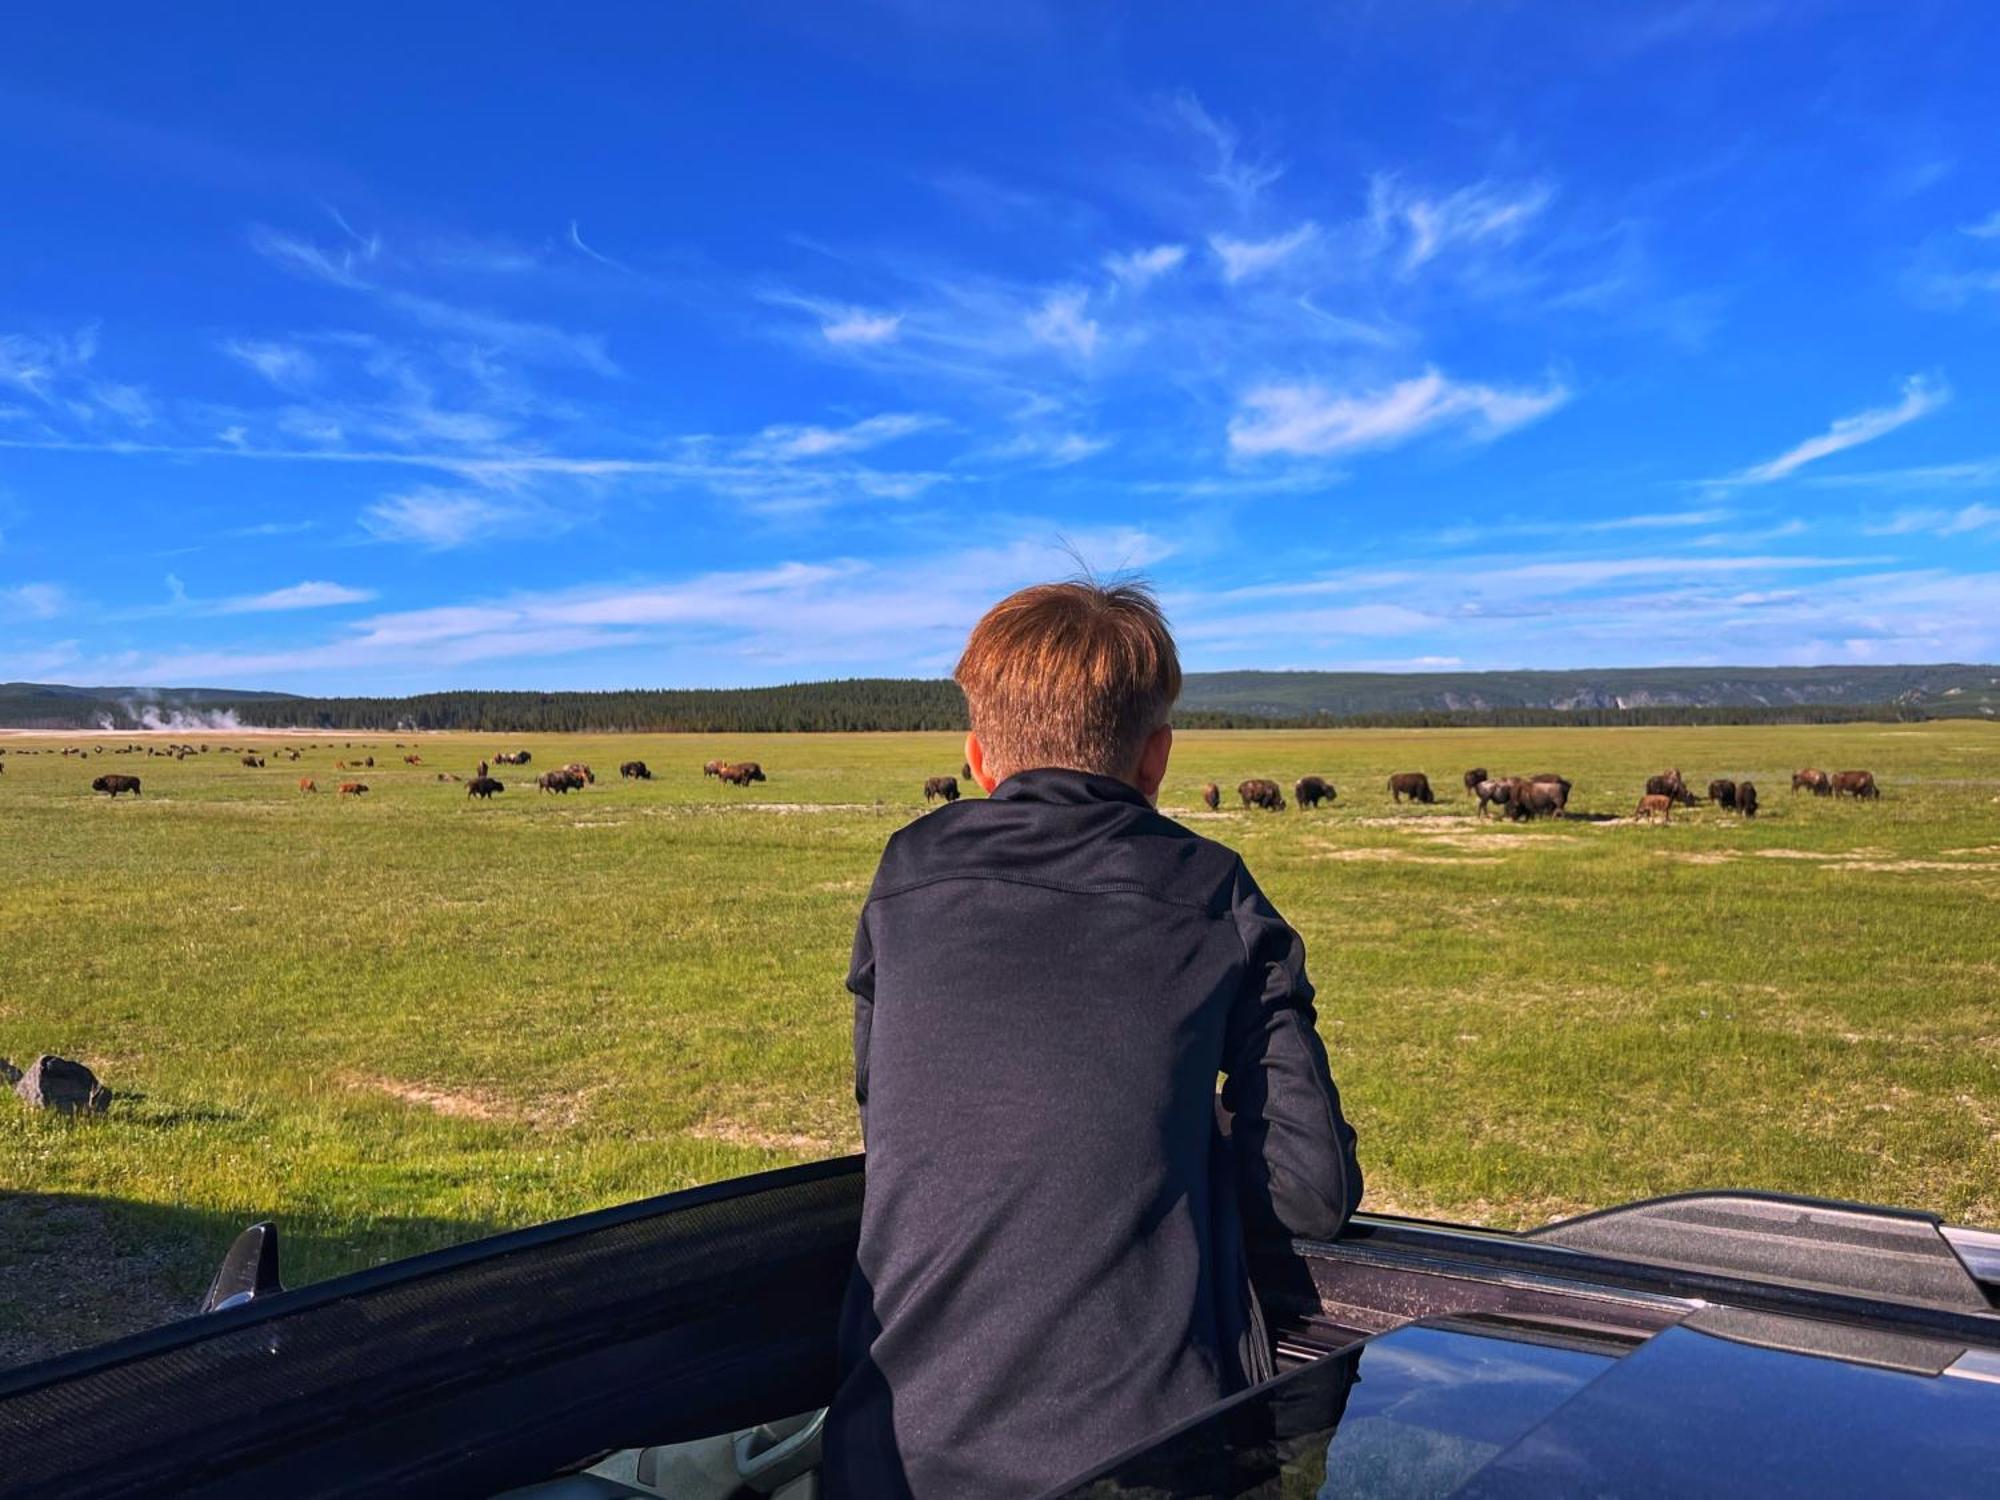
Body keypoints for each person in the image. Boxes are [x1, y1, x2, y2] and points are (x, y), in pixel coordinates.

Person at [824, 579, 1361, 1499]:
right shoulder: (1217, 892)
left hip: (889, 1458)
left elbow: (894, 1113)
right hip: (1145, 1462)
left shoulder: (903, 875)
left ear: (978, 757)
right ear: (1156, 759)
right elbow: (1311, 1194)